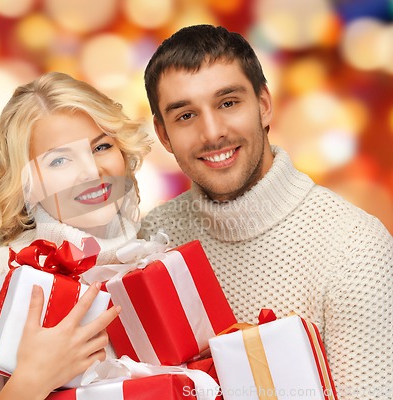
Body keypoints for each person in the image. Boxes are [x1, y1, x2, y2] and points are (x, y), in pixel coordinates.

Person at [139, 24, 392, 399]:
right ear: (163, 135)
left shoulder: (355, 248)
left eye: (228, 103)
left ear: (263, 104)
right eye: (186, 116)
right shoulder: (153, 237)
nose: (212, 133)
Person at [0, 72, 151, 399]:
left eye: (101, 146)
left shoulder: (155, 260)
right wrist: (32, 381)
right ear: (26, 185)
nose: (90, 171)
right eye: (59, 160)